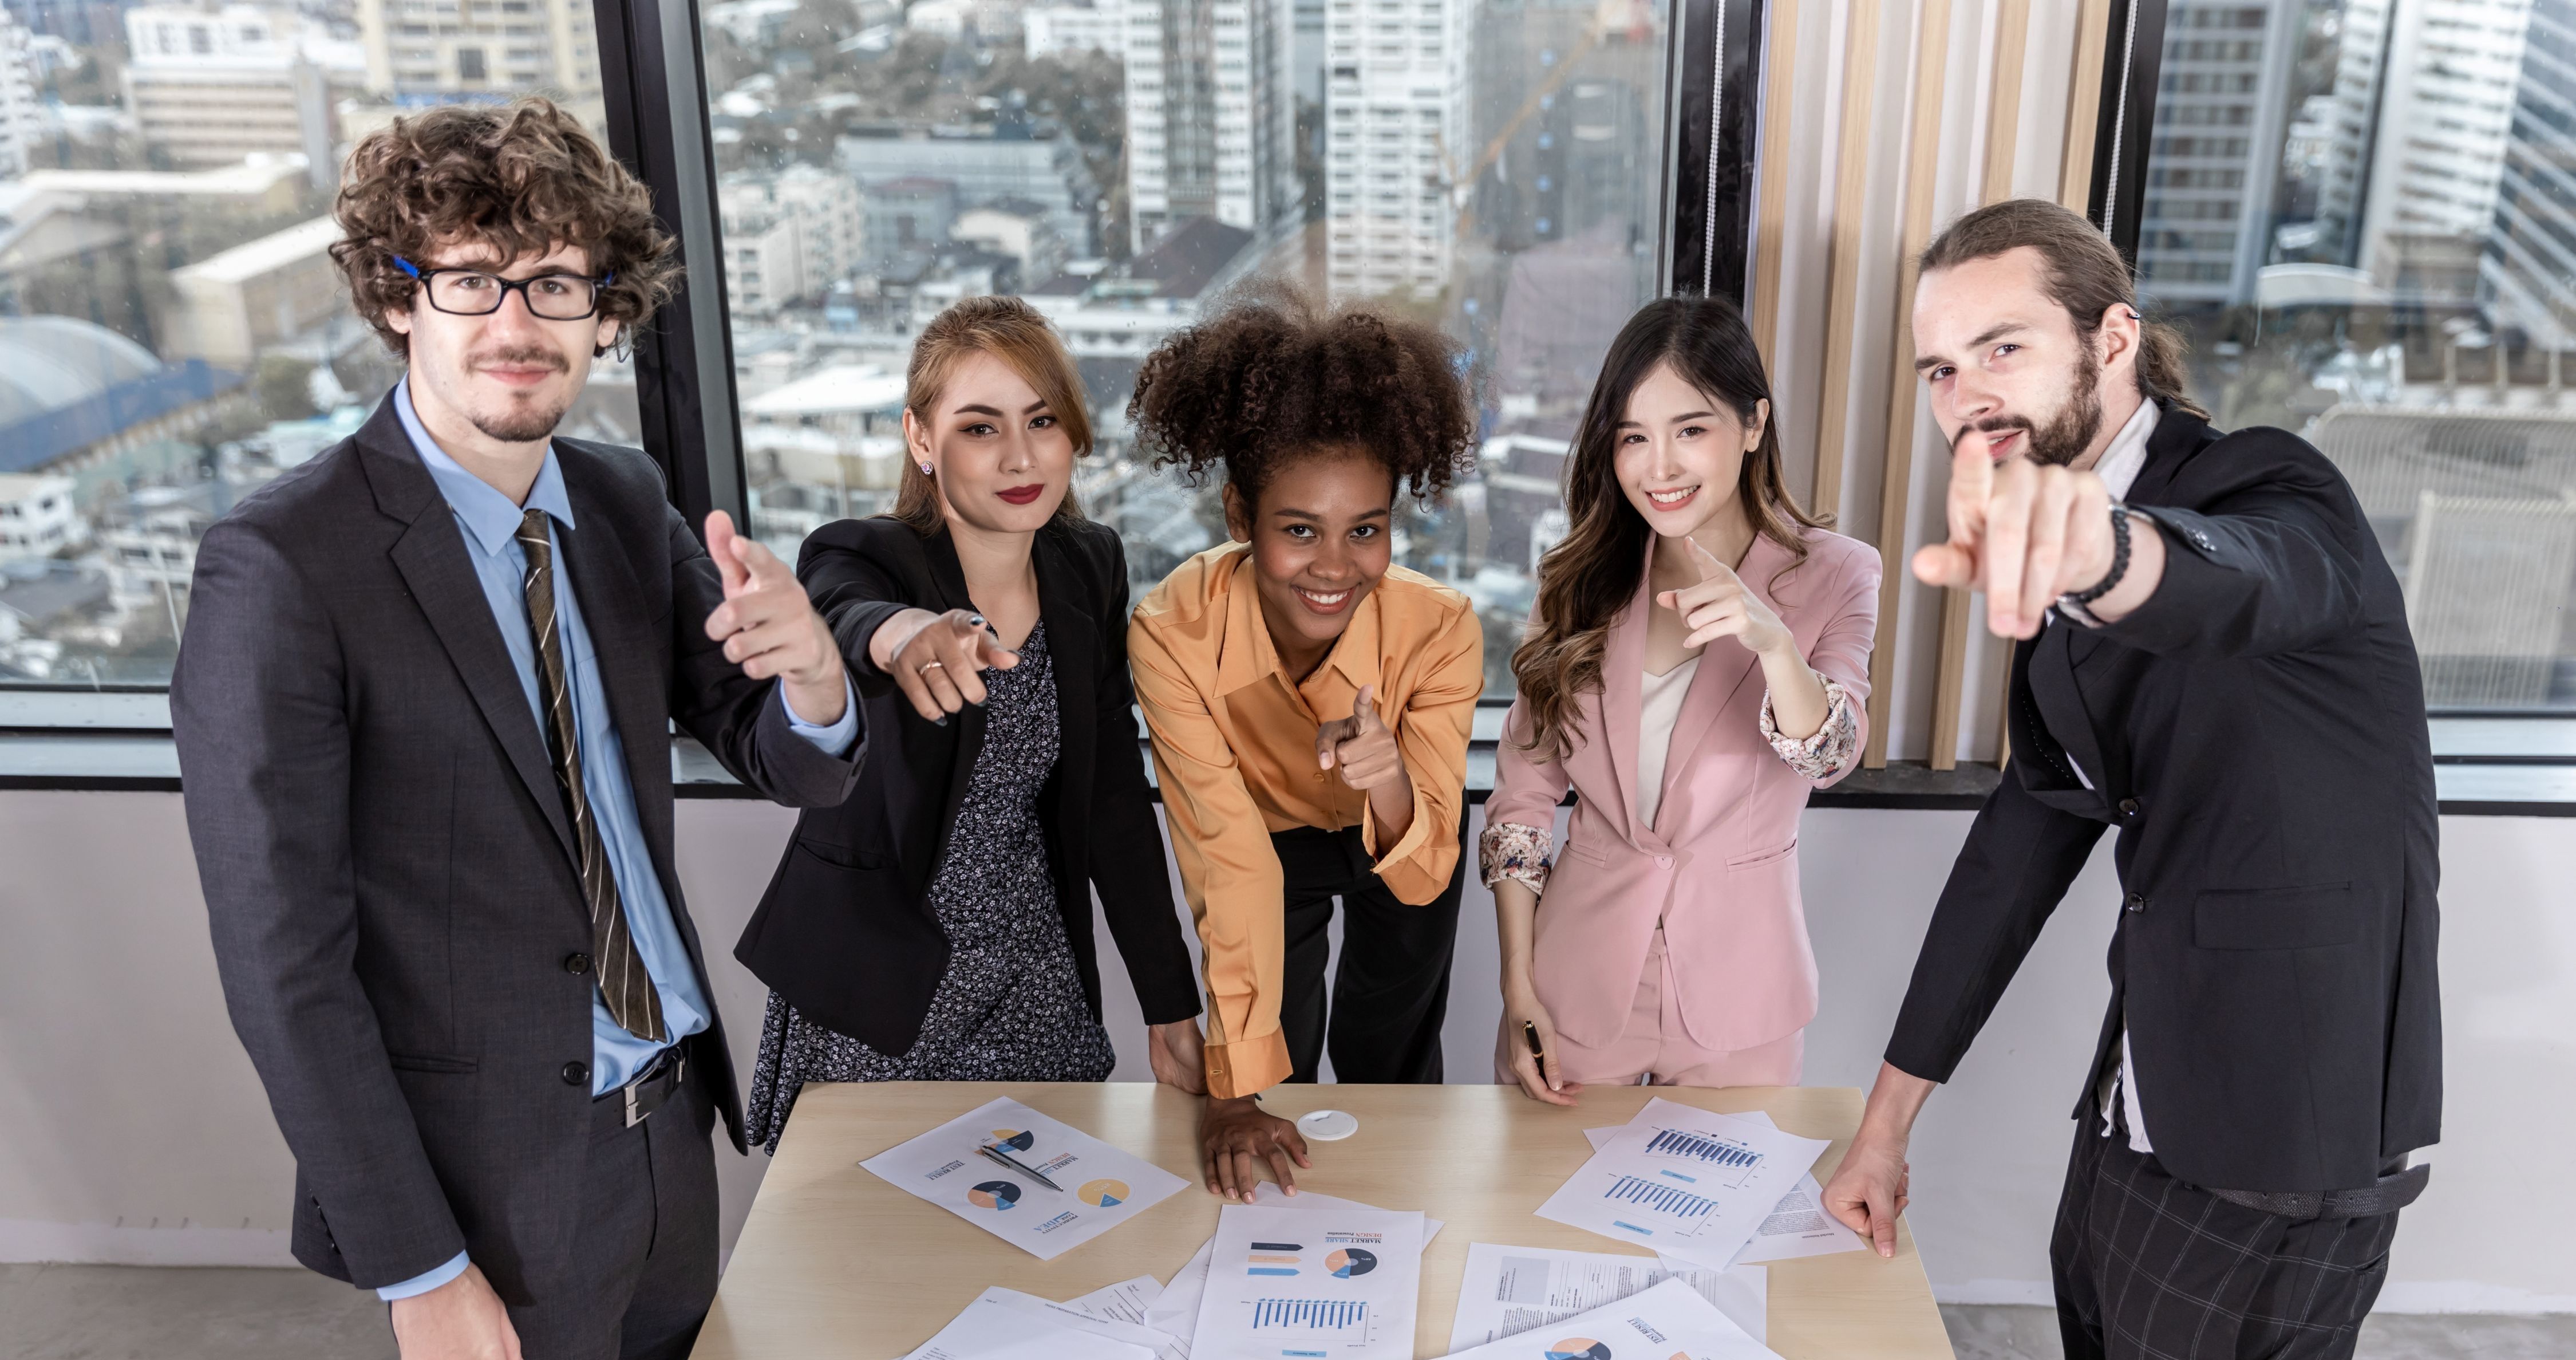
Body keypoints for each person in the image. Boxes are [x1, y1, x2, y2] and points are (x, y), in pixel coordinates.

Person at [171, 101, 863, 1360]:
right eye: (472, 279)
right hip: (483, 1172)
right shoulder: (282, 567)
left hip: (671, 1123)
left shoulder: (621, 496)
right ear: (397, 300)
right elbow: (288, 972)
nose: (515, 324)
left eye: (553, 282)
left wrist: (815, 674)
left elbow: (776, 752)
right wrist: (419, 1265)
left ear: (607, 311)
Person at [1818, 199, 2438, 1360]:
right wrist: (1885, 1129)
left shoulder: (2274, 489)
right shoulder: (2042, 598)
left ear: (2111, 340)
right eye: (1941, 369)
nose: (1968, 396)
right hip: (2136, 1104)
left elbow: (2239, 583)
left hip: (2286, 1138)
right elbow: (2019, 849)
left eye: (2004, 348)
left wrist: (2100, 548)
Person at [731, 297, 1206, 1145]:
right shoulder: (865, 552)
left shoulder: (1087, 562)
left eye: (1043, 420)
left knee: (1057, 1235)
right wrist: (901, 632)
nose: (1021, 456)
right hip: (887, 977)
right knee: (885, 1255)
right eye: (980, 428)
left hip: (1032, 971)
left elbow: (1109, 806)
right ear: (922, 440)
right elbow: (840, 608)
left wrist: (1169, 1005)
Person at [1125, 285, 1483, 1200]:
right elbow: (1226, 855)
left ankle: (1392, 1209)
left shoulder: (1439, 630)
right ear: (1241, 517)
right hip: (1265, 840)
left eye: (1366, 530)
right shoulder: (1174, 631)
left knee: (1388, 1051)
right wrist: (1234, 1092)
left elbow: (1427, 865)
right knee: (1268, 1037)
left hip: (1402, 832)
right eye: (1298, 531)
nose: (1335, 566)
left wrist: (1391, 778)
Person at [1483, 296, 1878, 1103]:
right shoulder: (1576, 583)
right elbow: (1522, 801)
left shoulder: (1839, 574)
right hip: (1574, 990)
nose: (1658, 467)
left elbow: (1832, 755)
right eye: (1633, 437)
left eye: (1690, 430)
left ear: (1754, 423)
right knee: (1544, 1223)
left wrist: (1772, 642)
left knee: (1721, 1225)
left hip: (1743, 1002)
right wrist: (1517, 985)